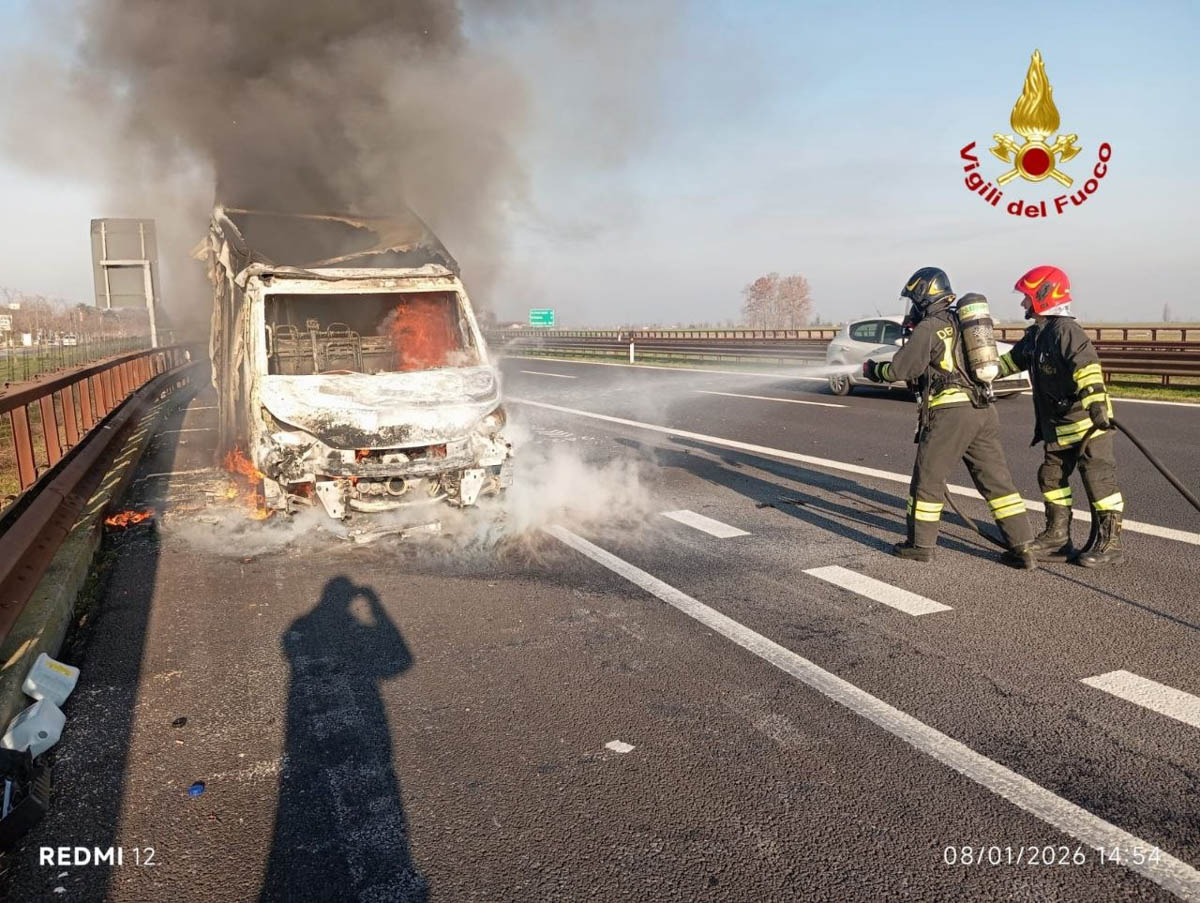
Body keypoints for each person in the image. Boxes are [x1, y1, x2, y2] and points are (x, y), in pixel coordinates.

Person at [861, 267, 1037, 567]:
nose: (912, 308)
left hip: (950, 414)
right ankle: (1023, 548)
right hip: (983, 410)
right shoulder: (963, 322)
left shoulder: (930, 327)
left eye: (914, 300)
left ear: (924, 297)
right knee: (997, 482)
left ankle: (920, 545)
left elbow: (902, 370)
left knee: (928, 481)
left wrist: (873, 370)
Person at [996, 265, 1124, 567]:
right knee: (1051, 477)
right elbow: (1009, 363)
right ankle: (1057, 538)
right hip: (1058, 427)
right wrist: (979, 373)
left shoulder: (1066, 331)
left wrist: (1096, 404)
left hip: (1089, 425)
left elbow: (1087, 367)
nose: (1023, 304)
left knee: (1099, 481)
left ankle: (1110, 544)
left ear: (1044, 294)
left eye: (1027, 297)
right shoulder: (1037, 335)